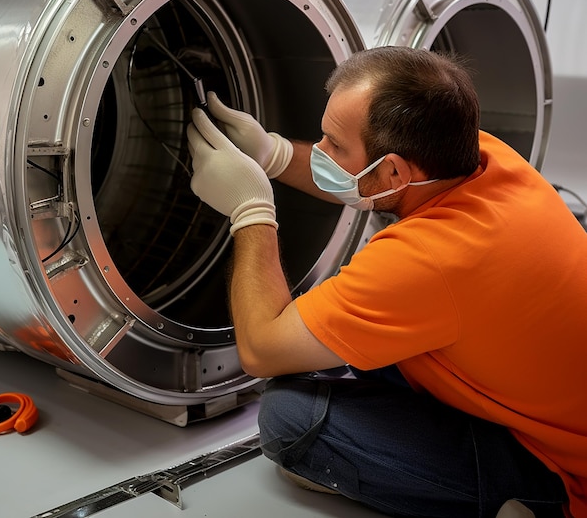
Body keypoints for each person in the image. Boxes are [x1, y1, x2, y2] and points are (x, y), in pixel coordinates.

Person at [186, 46, 587, 518]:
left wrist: (250, 210)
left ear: (394, 170)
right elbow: (369, 180)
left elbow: (260, 351)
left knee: (289, 418)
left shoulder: (429, 259)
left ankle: (532, 503)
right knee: (356, 348)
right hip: (549, 402)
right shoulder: (482, 155)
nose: (319, 152)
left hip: (558, 464)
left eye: (334, 144)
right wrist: (271, 155)